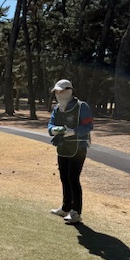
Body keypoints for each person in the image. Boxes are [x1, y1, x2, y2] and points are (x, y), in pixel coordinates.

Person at [47, 79, 93, 225]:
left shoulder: (81, 106)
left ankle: (76, 212)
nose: (58, 94)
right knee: (64, 178)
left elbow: (88, 126)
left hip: (78, 147)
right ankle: (66, 207)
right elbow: (51, 124)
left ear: (69, 91)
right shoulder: (57, 108)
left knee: (73, 179)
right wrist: (53, 130)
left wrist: (73, 131)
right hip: (62, 146)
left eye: (61, 91)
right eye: (56, 92)